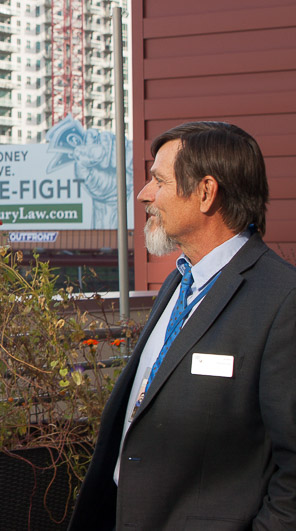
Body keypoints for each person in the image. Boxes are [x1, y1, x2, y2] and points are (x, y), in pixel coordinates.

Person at [69, 121, 296, 530]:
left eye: (158, 180)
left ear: (206, 192)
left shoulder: (283, 301)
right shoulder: (180, 280)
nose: (143, 194)